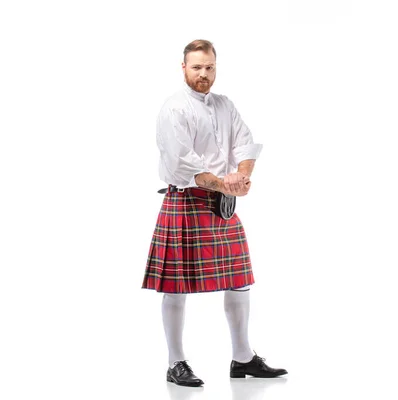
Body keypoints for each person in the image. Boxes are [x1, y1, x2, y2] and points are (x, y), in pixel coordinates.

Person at [142, 39, 287, 387]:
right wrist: (227, 184)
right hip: (187, 202)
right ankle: (175, 363)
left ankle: (243, 358)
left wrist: (243, 176)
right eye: (197, 67)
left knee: (240, 281)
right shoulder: (174, 109)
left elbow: (245, 142)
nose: (204, 74)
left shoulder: (225, 105)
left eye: (209, 67)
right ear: (183, 68)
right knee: (176, 288)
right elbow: (182, 165)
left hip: (223, 206)